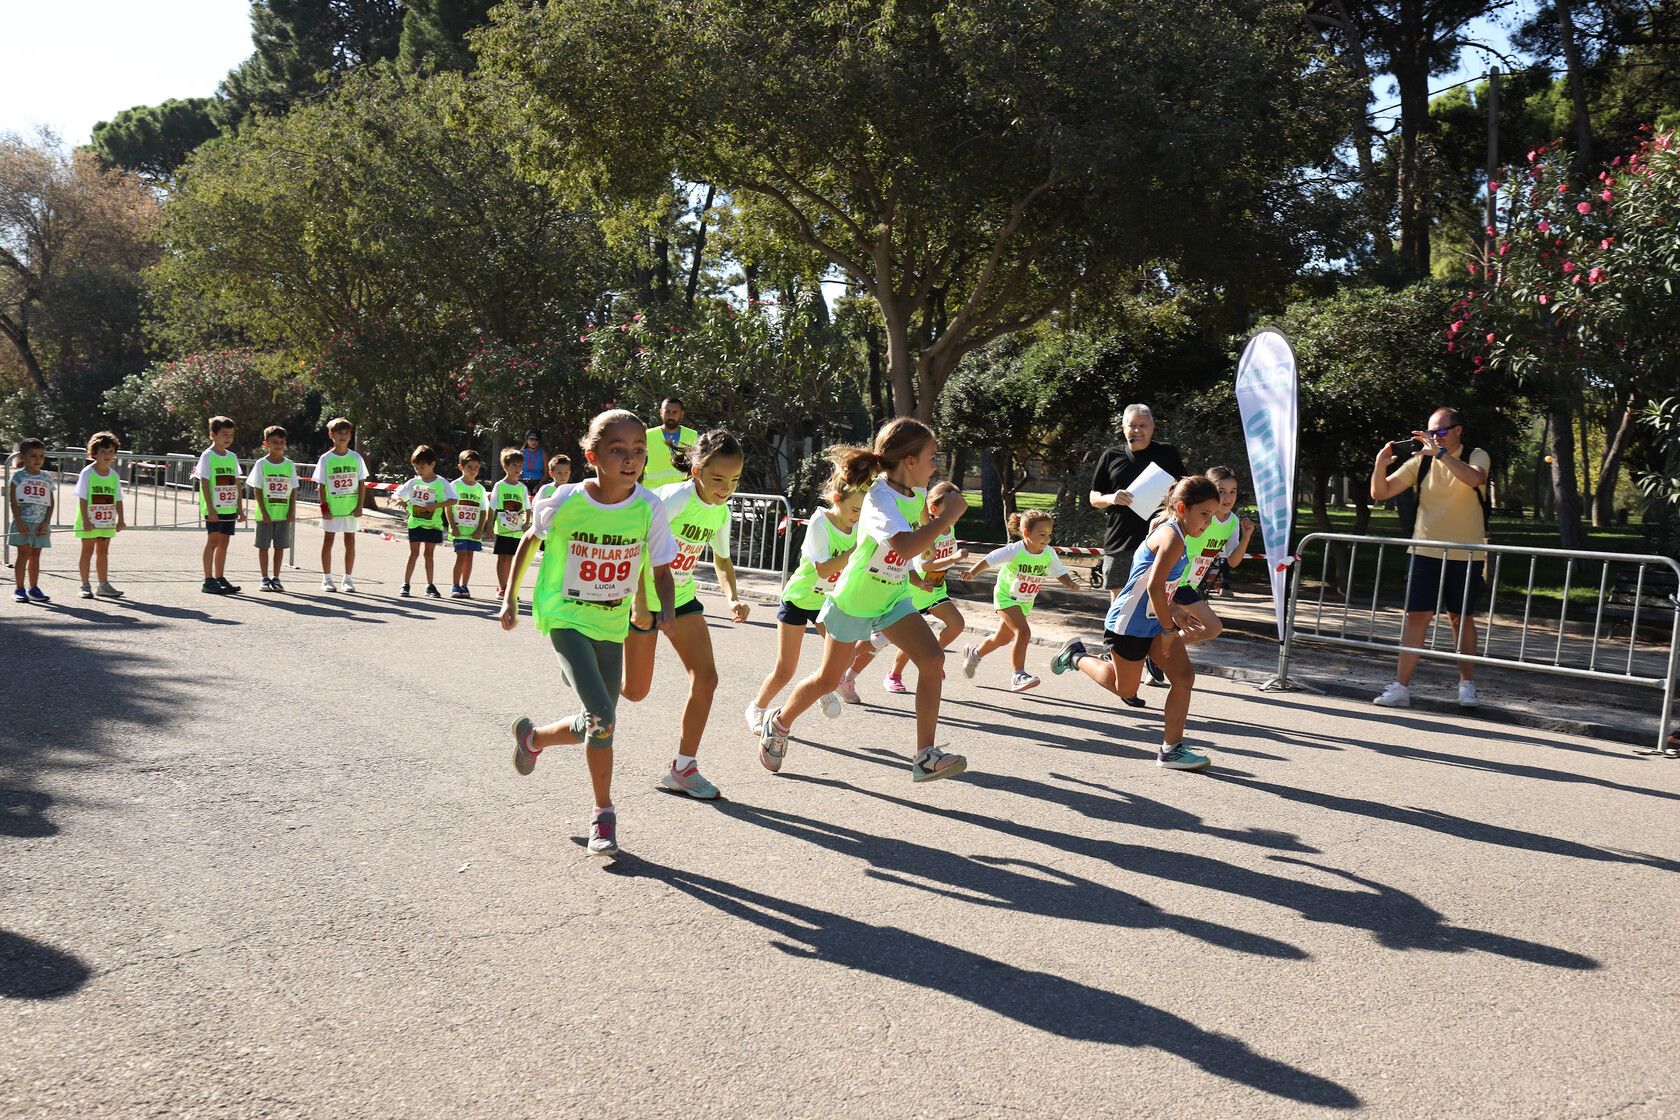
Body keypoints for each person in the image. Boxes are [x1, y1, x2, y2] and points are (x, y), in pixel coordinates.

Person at [500, 409, 678, 859]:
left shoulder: (648, 507)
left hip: (611, 624)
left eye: (638, 451)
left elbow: (660, 568)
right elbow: (529, 541)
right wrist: (509, 598)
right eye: (618, 451)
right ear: (592, 455)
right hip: (564, 618)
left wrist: (667, 613)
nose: (630, 460)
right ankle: (604, 814)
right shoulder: (565, 500)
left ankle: (533, 739)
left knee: (598, 723)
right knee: (603, 715)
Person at [756, 419, 970, 783]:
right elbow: (902, 545)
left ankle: (924, 756)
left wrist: (926, 555)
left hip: (893, 596)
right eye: (932, 458)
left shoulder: (915, 492)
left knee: (932, 659)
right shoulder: (877, 499)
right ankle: (778, 723)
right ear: (909, 461)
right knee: (827, 679)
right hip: (855, 599)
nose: (937, 466)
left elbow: (916, 541)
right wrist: (947, 518)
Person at [1050, 476, 1223, 770]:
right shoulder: (1171, 537)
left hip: (1154, 622)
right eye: (1204, 514)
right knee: (1125, 690)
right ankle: (1076, 655)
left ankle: (1171, 749)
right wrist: (1170, 629)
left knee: (1183, 677)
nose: (1207, 523)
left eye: (1212, 515)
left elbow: (1160, 588)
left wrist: (1174, 613)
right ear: (1182, 508)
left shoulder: (1178, 535)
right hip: (1129, 624)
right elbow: (1154, 586)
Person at [621, 430, 750, 800]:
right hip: (643, 593)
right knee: (634, 691)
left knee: (706, 678)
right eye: (718, 479)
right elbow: (639, 545)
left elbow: (722, 561)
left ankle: (683, 768)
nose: (726, 488)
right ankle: (593, 673)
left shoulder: (720, 511)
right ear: (696, 471)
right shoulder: (675, 498)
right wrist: (641, 602)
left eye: (734, 480)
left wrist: (732, 598)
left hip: (681, 597)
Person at [1369, 407, 1492, 710]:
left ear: (1458, 430)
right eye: (1430, 432)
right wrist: (1379, 464)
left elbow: (1474, 479)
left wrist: (1440, 454)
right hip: (1425, 550)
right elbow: (1380, 492)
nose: (1433, 437)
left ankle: (1466, 686)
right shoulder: (1420, 462)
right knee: (1416, 618)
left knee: (1460, 618)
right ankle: (1401, 688)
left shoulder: (1476, 454)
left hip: (1467, 553)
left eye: (1440, 432)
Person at [747, 449, 865, 732]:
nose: (857, 517)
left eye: (862, 511)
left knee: (845, 655)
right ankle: (757, 708)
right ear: (837, 500)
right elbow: (824, 569)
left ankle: (821, 684)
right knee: (785, 669)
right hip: (799, 600)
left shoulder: (858, 525)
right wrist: (856, 551)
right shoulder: (820, 522)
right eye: (854, 510)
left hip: (828, 602)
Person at [1137, 465, 1254, 681]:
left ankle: (1157, 653)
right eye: (1221, 491)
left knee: (1211, 628)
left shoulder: (1233, 522)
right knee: (1208, 626)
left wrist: (1246, 537)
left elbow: (1234, 561)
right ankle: (1154, 654)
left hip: (1189, 584)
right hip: (1172, 581)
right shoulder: (1196, 514)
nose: (1228, 498)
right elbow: (1160, 523)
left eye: (1233, 491)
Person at [957, 509, 1081, 692]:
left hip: (1025, 601)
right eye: (1041, 535)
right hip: (1006, 597)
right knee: (1023, 632)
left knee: (1002, 638)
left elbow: (1059, 571)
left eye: (1049, 535)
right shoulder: (1015, 550)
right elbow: (989, 559)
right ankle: (1018, 675)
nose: (1046, 539)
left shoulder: (1048, 553)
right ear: (1026, 533)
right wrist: (972, 573)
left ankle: (975, 654)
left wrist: (1069, 583)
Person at [1088, 404, 1187, 601]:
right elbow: (1094, 497)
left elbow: (1184, 488)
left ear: (1152, 427)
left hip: (1161, 540)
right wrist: (1112, 498)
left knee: (1156, 601)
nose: (1137, 430)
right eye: (1132, 425)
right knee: (1119, 602)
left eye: (1143, 425)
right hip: (1120, 541)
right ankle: (1116, 634)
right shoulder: (1111, 456)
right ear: (1123, 427)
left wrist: (1169, 512)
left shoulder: (1168, 453)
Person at [882, 482, 967, 695]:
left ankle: (932, 660)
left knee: (956, 624)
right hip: (916, 589)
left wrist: (952, 563)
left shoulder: (951, 528)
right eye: (952, 507)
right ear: (934, 508)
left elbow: (940, 563)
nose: (957, 511)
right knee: (912, 641)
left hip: (936, 590)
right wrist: (953, 558)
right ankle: (894, 674)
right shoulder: (928, 531)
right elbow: (925, 565)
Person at [312, 418, 369, 593]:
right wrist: (324, 508)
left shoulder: (356, 458)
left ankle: (348, 578)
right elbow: (321, 485)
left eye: (347, 433)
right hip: (333, 509)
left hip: (350, 509)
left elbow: (361, 483)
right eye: (340, 433)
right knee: (328, 541)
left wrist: (360, 506)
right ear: (331, 435)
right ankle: (327, 578)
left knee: (350, 542)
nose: (344, 436)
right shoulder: (325, 459)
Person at [394, 446, 457, 599]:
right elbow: (397, 494)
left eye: (422, 466)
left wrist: (436, 505)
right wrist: (400, 500)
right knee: (413, 554)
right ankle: (406, 584)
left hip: (433, 525)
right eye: (416, 467)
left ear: (433, 464)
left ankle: (430, 585)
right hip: (415, 523)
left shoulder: (441, 482)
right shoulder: (413, 482)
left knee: (429, 555)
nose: (419, 470)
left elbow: (454, 499)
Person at [193, 416, 245, 595]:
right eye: (224, 434)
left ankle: (220, 577)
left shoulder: (232, 457)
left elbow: (236, 483)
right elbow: (205, 483)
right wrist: (211, 508)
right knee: (213, 540)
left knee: (224, 542)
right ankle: (208, 579)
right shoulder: (208, 456)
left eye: (231, 434)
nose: (228, 438)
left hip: (229, 506)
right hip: (214, 508)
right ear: (212, 435)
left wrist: (240, 508)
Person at [74, 431, 126, 599]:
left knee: (103, 552)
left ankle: (103, 584)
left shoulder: (114, 476)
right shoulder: (87, 473)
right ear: (94, 453)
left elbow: (118, 499)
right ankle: (85, 584)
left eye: (111, 451)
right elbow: (82, 498)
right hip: (89, 522)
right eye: (103, 451)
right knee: (87, 551)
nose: (107, 455)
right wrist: (86, 521)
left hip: (106, 522)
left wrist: (121, 520)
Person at [246, 425, 297, 593]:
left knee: (280, 546)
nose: (278, 445)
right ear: (266, 444)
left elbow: (293, 488)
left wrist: (291, 510)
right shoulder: (261, 464)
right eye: (274, 442)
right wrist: (264, 511)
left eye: (282, 442)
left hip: (282, 513)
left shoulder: (289, 465)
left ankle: (276, 577)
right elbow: (257, 489)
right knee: (263, 546)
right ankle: (264, 577)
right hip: (265, 514)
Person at [8, 438, 54, 603]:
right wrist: (19, 522)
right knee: (23, 554)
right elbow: (13, 501)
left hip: (40, 524)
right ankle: (19, 588)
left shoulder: (47, 477)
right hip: (24, 523)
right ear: (22, 456)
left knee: (35, 556)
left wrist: (46, 521)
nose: (38, 459)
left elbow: (51, 502)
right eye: (33, 455)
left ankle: (34, 588)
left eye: (41, 456)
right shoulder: (18, 476)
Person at [448, 450, 490, 598]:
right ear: (461, 467)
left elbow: (483, 511)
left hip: (474, 532)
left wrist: (480, 529)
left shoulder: (480, 489)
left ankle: (464, 585)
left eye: (476, 467)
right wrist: (452, 526)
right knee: (460, 556)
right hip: (459, 530)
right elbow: (449, 507)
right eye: (469, 467)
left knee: (469, 557)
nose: (473, 470)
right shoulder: (455, 485)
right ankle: (455, 585)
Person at [491, 448, 531, 597]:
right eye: (514, 465)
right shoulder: (499, 486)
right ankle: (502, 587)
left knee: (514, 559)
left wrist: (526, 523)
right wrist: (489, 527)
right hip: (502, 529)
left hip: (517, 530)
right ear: (505, 466)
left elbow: (528, 507)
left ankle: (511, 589)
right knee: (503, 557)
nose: (518, 469)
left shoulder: (522, 488)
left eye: (520, 466)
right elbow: (492, 507)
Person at [642, 397, 698, 489]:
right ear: (661, 413)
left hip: (683, 493)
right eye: (667, 412)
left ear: (681, 414)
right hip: (654, 494)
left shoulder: (693, 436)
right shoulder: (647, 436)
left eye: (675, 412)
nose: (671, 416)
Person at [518, 429, 546, 495]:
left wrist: (539, 486)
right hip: (523, 482)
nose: (534, 442)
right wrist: (523, 486)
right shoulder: (521, 453)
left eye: (536, 439)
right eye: (531, 439)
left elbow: (547, 474)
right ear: (526, 440)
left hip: (539, 483)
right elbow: (517, 472)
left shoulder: (543, 454)